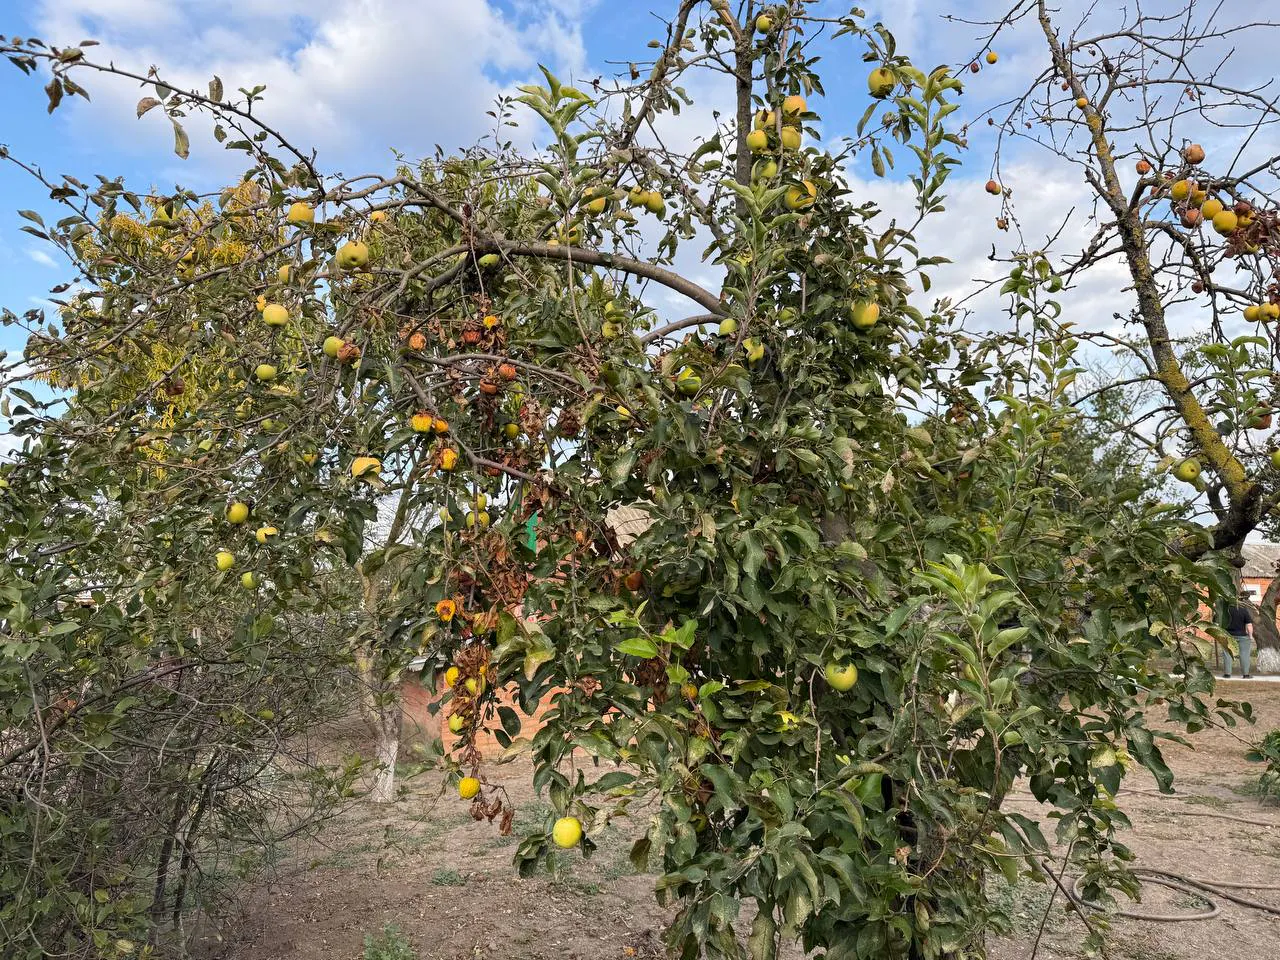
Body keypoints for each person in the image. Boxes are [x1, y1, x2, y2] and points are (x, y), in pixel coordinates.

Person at [1223, 592, 1255, 679]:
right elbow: (1249, 625)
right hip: (1243, 636)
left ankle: (1227, 674)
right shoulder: (1243, 611)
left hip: (1228, 635)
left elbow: (1217, 622)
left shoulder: (1225, 610)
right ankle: (1246, 674)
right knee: (1244, 654)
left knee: (1227, 654)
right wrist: (1250, 636)